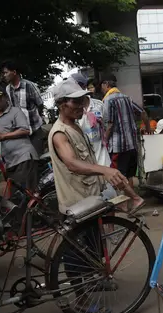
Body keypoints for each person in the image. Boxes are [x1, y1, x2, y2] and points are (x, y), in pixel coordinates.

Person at [48, 78, 144, 214]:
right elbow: (72, 163)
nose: (81, 105)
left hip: (90, 197)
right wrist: (104, 170)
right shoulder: (60, 133)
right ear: (61, 104)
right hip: (77, 204)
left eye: (82, 100)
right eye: (75, 101)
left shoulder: (75, 126)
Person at [0, 85, 39, 191]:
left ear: (6, 97)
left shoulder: (15, 111)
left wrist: (3, 136)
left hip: (23, 158)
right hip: (9, 162)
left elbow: (25, 130)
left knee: (28, 194)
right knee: (17, 196)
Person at [101, 74, 151, 181]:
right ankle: (132, 197)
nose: (101, 89)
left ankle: (125, 197)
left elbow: (109, 125)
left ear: (107, 84)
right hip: (132, 146)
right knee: (129, 177)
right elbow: (143, 113)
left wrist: (104, 141)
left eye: (102, 85)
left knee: (118, 179)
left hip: (118, 148)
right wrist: (148, 128)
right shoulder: (127, 98)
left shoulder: (107, 100)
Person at [2, 60, 46, 153]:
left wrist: (36, 117)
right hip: (21, 132)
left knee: (37, 159)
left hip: (35, 130)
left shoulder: (29, 85)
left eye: (6, 72)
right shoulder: (8, 89)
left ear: (14, 72)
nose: (4, 75)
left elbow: (40, 104)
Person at [69, 73, 109, 167]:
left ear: (83, 86)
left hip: (102, 157)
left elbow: (108, 124)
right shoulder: (71, 110)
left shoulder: (98, 105)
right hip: (83, 159)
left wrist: (104, 139)